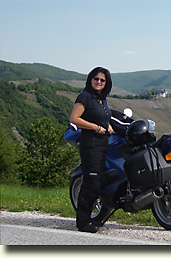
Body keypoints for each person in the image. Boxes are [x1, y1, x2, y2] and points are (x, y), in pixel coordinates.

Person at [70, 67, 114, 233]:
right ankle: (83, 222)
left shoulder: (101, 99)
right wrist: (96, 127)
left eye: (102, 80)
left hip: (102, 143)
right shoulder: (85, 97)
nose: (99, 82)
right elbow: (75, 119)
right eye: (96, 79)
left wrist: (107, 125)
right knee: (91, 182)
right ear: (90, 79)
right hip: (91, 144)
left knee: (98, 181)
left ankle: (92, 218)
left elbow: (102, 117)